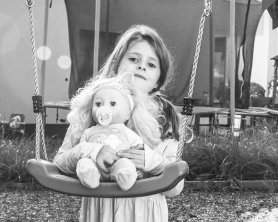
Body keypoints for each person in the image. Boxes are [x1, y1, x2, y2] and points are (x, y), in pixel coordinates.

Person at [53, 24, 183, 222]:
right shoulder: (93, 108)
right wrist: (91, 152)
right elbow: (60, 162)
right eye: (133, 59)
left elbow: (175, 187)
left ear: (158, 80)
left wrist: (151, 161)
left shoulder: (165, 119)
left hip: (146, 213)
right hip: (101, 211)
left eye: (151, 64)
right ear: (116, 65)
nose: (141, 67)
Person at [71, 76, 162, 191]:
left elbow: (137, 150)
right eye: (98, 104)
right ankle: (89, 175)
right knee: (84, 162)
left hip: (117, 165)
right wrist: (91, 152)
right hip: (96, 166)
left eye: (113, 103)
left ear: (128, 114)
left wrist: (138, 169)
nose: (104, 108)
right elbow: (81, 149)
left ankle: (126, 176)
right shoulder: (89, 132)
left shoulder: (128, 133)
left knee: (125, 164)